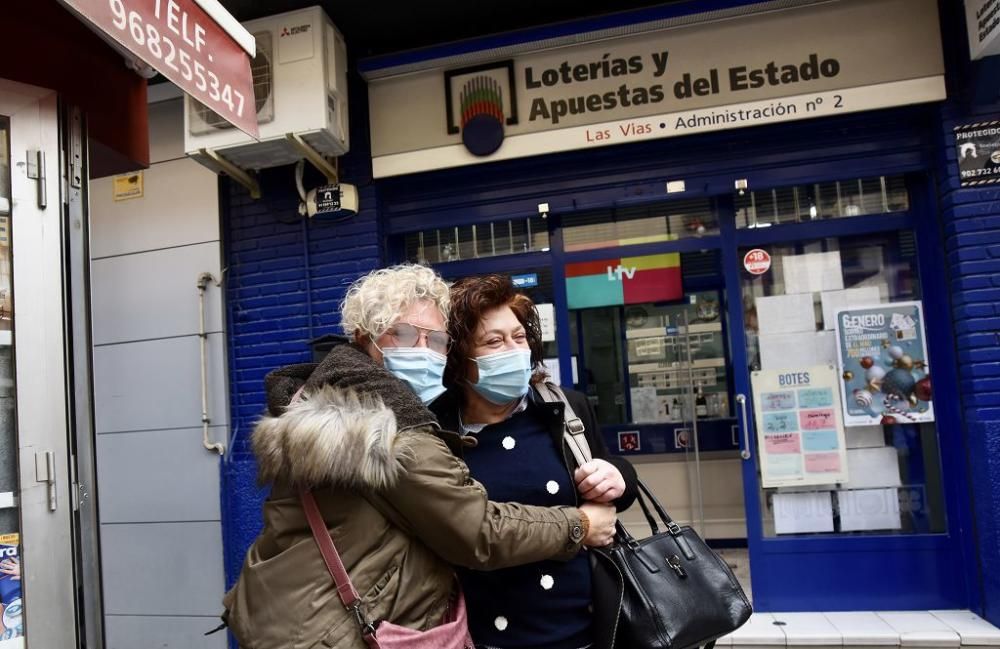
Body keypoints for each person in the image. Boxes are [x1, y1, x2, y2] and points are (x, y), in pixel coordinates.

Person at [223, 264, 617, 649]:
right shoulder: (387, 428)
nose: (425, 352)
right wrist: (579, 523)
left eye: (437, 341)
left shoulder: (321, 399)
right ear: (366, 339)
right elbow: (476, 531)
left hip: (296, 614)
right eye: (406, 334)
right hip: (335, 629)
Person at [432, 274, 640, 649]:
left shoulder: (564, 408)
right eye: (494, 341)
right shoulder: (439, 430)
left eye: (519, 337)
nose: (513, 349)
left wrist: (619, 478)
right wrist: (579, 525)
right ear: (459, 358)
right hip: (487, 634)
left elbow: (612, 480)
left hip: (585, 629)